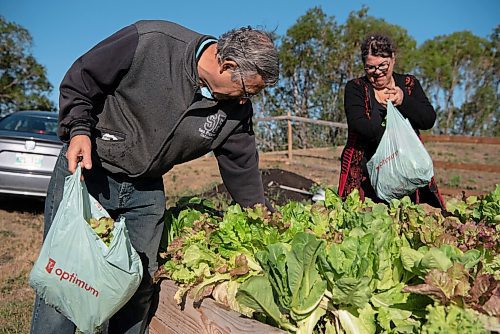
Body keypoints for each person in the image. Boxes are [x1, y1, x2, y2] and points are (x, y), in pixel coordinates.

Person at [30, 20, 279, 334]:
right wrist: (78, 130)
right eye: (246, 90)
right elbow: (81, 80)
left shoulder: (236, 109)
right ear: (227, 64)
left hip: (146, 187)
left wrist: (260, 214)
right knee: (67, 275)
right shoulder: (151, 42)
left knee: (139, 283)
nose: (246, 100)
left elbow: (241, 165)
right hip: (92, 172)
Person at [337, 33, 445, 208]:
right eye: (370, 68)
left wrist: (404, 101)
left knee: (408, 217)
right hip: (365, 171)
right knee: (362, 220)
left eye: (383, 65)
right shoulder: (356, 88)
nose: (378, 72)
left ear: (393, 59)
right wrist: (383, 108)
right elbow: (364, 128)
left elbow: (428, 120)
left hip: (406, 168)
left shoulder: (409, 84)